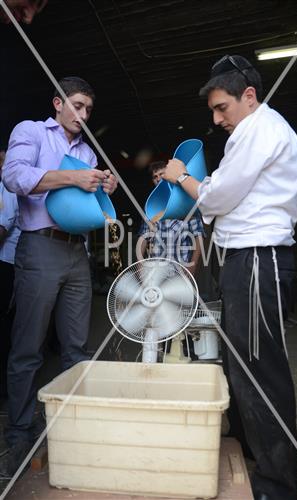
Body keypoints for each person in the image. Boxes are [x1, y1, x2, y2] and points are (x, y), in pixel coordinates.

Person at [163, 55, 297, 500]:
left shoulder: (260, 129)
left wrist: (182, 176)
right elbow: (220, 187)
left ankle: (278, 487)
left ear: (248, 96)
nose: (218, 118)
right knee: (240, 362)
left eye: (222, 107)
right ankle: (247, 451)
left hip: (259, 258)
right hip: (243, 259)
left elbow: (218, 195)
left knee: (261, 369)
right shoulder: (247, 135)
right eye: (213, 112)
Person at [0, 76, 118, 477]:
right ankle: (19, 431)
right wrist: (73, 177)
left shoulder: (85, 150)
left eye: (88, 109)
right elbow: (13, 177)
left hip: (75, 251)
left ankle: (74, 424)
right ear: (58, 102)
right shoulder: (31, 132)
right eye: (78, 106)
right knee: (28, 346)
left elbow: (85, 203)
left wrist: (104, 187)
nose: (83, 116)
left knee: (76, 347)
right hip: (39, 246)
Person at [138, 160, 205, 277]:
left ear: (170, 176)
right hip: (156, 272)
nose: (158, 179)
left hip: (181, 270)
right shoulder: (151, 207)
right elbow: (143, 237)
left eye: (162, 174)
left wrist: (192, 265)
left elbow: (199, 237)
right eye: (155, 177)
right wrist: (139, 264)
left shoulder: (186, 202)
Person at [0, 150, 20, 399]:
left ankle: (6, 385)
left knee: (7, 322)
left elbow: (4, 226)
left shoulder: (11, 188)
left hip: (8, 262)